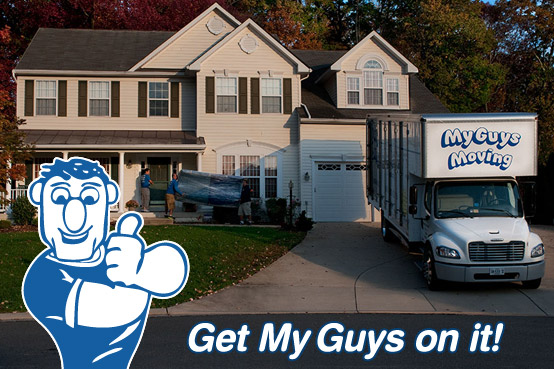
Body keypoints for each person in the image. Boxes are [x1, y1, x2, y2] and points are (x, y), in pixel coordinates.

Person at [22, 157, 189, 369]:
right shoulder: (42, 280)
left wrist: (143, 271)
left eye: (90, 198)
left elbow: (172, 267)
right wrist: (138, 275)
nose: (75, 214)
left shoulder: (114, 250)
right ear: (40, 199)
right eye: (60, 197)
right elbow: (118, 309)